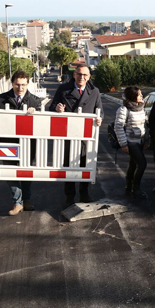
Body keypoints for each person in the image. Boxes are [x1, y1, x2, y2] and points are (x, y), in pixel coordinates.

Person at [49, 64, 103, 207]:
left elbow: (100, 111)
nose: (82, 77)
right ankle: (70, 196)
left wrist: (100, 118)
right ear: (74, 75)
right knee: (69, 165)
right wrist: (57, 108)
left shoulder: (95, 91)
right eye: (79, 74)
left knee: (85, 164)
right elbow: (52, 106)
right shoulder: (63, 89)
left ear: (89, 76)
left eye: (85, 75)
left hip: (86, 136)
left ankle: (84, 193)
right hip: (68, 134)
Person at [0, 70, 42, 216]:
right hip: (7, 143)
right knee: (10, 172)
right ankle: (17, 203)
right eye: (17, 85)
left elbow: (42, 122)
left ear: (28, 84)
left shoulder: (35, 101)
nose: (20, 88)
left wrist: (37, 112)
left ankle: (26, 200)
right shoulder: (1, 99)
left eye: (23, 85)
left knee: (26, 172)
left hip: (28, 143)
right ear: (12, 83)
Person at [115, 86, 148, 199]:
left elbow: (144, 124)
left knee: (133, 164)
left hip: (140, 141)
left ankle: (129, 186)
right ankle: (136, 188)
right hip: (131, 142)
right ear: (133, 96)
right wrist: (123, 144)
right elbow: (118, 127)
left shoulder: (141, 107)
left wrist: (146, 139)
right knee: (142, 164)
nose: (142, 96)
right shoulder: (124, 109)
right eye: (139, 94)